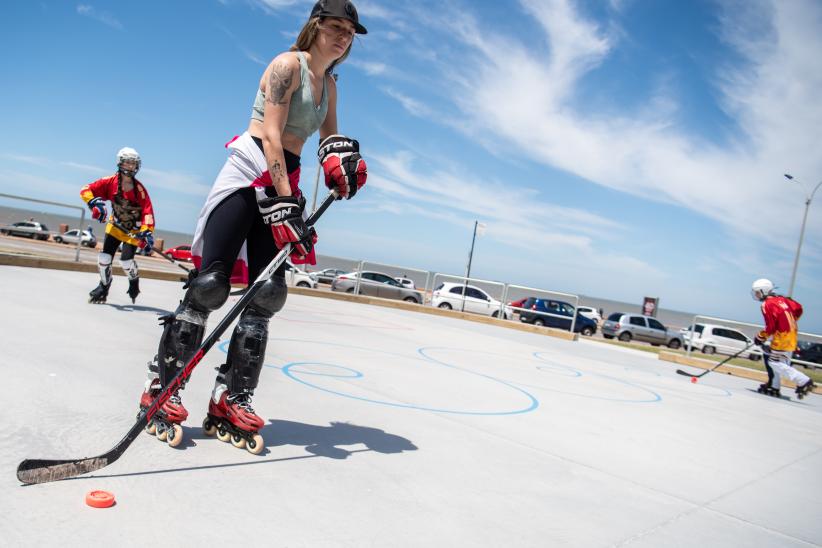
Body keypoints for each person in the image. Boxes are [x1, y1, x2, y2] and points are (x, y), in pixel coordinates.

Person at [138, 0, 368, 451]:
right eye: (335, 27)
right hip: (251, 170)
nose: (343, 37)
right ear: (315, 27)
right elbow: (270, 135)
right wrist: (286, 200)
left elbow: (327, 142)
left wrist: (343, 164)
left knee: (267, 295)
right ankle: (162, 388)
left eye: (350, 31)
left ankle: (231, 398)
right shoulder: (288, 65)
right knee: (209, 284)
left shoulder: (331, 85)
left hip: (286, 176)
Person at [80, 147, 156, 304]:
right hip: (115, 226)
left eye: (134, 164)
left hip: (133, 232)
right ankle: (104, 286)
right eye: (128, 163)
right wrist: (94, 203)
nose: (131, 167)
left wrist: (147, 232)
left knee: (126, 262)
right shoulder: (109, 182)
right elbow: (86, 189)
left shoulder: (140, 190)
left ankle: (134, 280)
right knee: (104, 257)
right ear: (120, 163)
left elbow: (148, 212)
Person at [751, 278, 815, 398]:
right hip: (792, 334)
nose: (756, 295)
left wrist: (759, 337)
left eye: (757, 292)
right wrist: (789, 321)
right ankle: (775, 387)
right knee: (780, 362)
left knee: (774, 362)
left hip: (782, 337)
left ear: (764, 291)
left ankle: (803, 381)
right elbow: (799, 308)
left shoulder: (767, 304)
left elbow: (770, 327)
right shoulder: (783, 300)